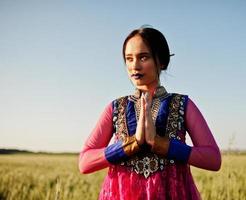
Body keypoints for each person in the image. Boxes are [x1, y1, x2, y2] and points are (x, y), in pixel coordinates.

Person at [79, 26, 221, 200]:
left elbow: (213, 159)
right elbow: (85, 162)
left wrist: (161, 144)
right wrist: (132, 144)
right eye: (129, 59)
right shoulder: (116, 108)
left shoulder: (182, 104)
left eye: (143, 57)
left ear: (161, 61)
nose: (134, 66)